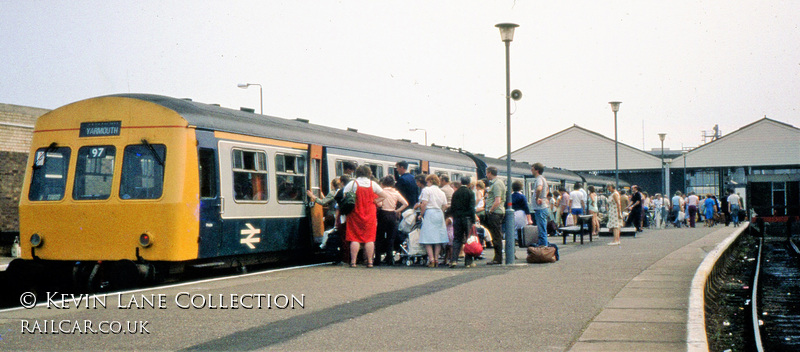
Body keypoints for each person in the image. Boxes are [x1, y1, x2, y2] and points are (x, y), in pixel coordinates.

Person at [342, 165, 387, 268]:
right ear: (369, 173)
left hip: (355, 213)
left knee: (355, 238)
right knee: (369, 239)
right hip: (370, 214)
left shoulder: (353, 183)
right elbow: (384, 196)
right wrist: (375, 201)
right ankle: (370, 262)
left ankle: (353, 262)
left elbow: (344, 196)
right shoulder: (373, 184)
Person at [375, 176, 408, 265]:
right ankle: (390, 259)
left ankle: (377, 259)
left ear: (383, 183)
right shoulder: (396, 193)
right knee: (391, 238)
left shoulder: (381, 192)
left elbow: (378, 203)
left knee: (379, 237)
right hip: (392, 215)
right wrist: (397, 211)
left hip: (383, 214)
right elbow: (405, 203)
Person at [418, 174, 449, 267]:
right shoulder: (441, 192)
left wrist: (421, 214)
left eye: (427, 181)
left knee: (427, 237)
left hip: (430, 213)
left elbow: (424, 203)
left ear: (430, 181)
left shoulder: (427, 190)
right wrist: (441, 211)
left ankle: (431, 260)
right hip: (439, 213)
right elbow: (445, 205)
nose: (426, 183)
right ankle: (436, 259)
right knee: (438, 238)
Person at [447, 176, 477, 267]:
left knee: (457, 239)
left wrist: (454, 215)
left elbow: (452, 207)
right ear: (469, 183)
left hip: (457, 218)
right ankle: (468, 262)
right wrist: (473, 219)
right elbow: (472, 208)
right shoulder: (470, 193)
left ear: (461, 182)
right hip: (467, 218)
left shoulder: (456, 193)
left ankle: (454, 260)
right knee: (469, 239)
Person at [484, 166, 506, 265]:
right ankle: (497, 257)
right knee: (495, 235)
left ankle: (498, 258)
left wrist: (491, 210)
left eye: (486, 173)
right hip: (496, 212)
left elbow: (497, 200)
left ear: (489, 173)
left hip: (496, 212)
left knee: (496, 236)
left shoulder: (497, 184)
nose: (486, 175)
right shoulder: (496, 183)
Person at [530, 163, 550, 246]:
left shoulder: (539, 179)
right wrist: (544, 197)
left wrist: (538, 198)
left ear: (537, 170)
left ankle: (543, 247)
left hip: (540, 208)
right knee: (542, 228)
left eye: (532, 169)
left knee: (541, 229)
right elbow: (547, 189)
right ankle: (543, 246)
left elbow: (539, 188)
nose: (531, 170)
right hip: (542, 207)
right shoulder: (543, 178)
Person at [511, 180, 533, 247]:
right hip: (521, 214)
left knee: (513, 229)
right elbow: (526, 208)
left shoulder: (510, 196)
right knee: (522, 228)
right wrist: (529, 219)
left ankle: (515, 240)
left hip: (512, 214)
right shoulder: (522, 197)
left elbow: (508, 205)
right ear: (521, 188)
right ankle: (521, 241)